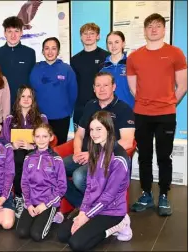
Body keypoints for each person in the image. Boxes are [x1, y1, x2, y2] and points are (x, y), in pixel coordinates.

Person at [127, 13, 187, 216]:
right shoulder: (134, 57)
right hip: (142, 114)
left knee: (164, 157)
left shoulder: (175, 53)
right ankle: (146, 194)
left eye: (158, 26)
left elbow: (183, 85)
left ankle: (163, 195)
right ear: (145, 31)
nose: (153, 29)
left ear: (163, 29)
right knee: (144, 156)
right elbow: (134, 88)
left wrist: (168, 102)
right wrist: (147, 102)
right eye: (150, 26)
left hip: (166, 115)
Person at [58, 110, 133, 251]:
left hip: (112, 211)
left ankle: (120, 224)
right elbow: (90, 188)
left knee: (76, 244)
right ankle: (92, 223)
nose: (94, 133)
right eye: (92, 129)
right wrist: (82, 212)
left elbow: (108, 197)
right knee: (63, 235)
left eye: (99, 129)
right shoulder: (97, 151)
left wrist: (86, 216)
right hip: (95, 207)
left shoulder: (119, 159)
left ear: (109, 130)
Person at [63, 72, 135, 211]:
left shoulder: (123, 109)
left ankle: (98, 207)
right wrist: (77, 152)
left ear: (113, 87)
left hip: (106, 158)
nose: (101, 89)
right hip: (83, 154)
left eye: (106, 85)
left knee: (79, 177)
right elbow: (79, 134)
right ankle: (83, 206)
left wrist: (93, 154)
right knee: (54, 168)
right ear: (93, 88)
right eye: (98, 85)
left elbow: (127, 141)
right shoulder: (90, 105)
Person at [1, 85, 48, 218]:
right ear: (18, 99)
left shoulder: (41, 118)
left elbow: (47, 139)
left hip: (35, 152)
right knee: (18, 158)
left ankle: (36, 198)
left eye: (29, 96)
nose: (26, 99)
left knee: (28, 158)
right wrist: (12, 145)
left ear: (33, 99)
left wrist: (33, 146)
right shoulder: (9, 119)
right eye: (23, 96)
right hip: (16, 154)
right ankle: (20, 198)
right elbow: (3, 142)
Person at [16, 123, 67, 242]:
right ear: (33, 138)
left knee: (37, 235)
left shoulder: (56, 159)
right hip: (32, 201)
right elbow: (24, 183)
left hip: (48, 202)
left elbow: (62, 187)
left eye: (45, 136)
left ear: (51, 138)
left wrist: (45, 205)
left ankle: (54, 214)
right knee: (22, 232)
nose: (41, 140)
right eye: (38, 136)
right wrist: (28, 204)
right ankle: (37, 215)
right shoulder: (28, 158)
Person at [30, 37, 77, 145]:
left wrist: (68, 111)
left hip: (62, 118)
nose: (50, 52)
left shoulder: (67, 69)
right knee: (42, 147)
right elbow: (32, 92)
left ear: (58, 51)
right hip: (41, 118)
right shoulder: (36, 69)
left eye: (53, 48)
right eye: (47, 48)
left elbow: (73, 93)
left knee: (60, 148)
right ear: (42, 51)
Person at [71, 23, 110, 130]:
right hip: (81, 107)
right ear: (81, 37)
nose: (88, 36)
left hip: (102, 105)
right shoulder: (74, 59)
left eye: (92, 33)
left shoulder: (106, 57)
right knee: (80, 140)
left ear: (98, 36)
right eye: (85, 33)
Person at [0, 16, 36, 106]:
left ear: (21, 32)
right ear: (5, 33)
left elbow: (32, 79)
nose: (13, 35)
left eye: (16, 31)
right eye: (9, 31)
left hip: (24, 104)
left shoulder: (30, 53)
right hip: (2, 103)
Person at [100, 31, 134, 108]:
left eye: (117, 42)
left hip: (129, 109)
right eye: (110, 43)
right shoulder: (102, 67)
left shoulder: (131, 64)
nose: (113, 46)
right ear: (107, 46)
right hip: (108, 112)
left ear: (123, 44)